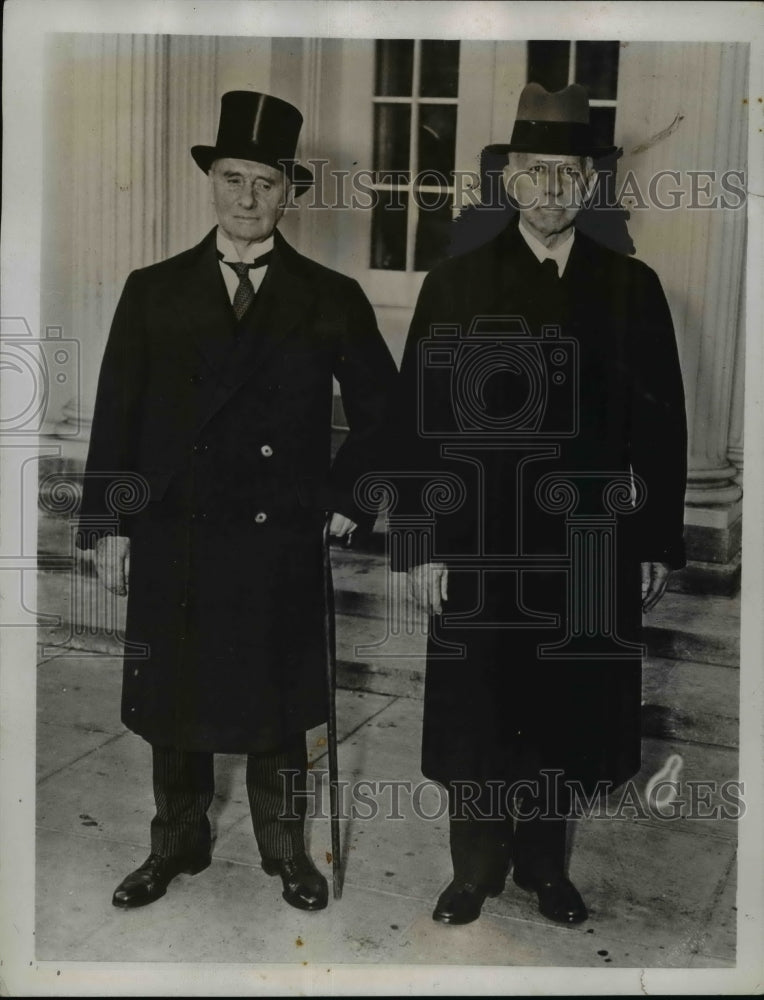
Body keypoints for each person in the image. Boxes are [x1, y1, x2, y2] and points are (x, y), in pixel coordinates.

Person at [77, 91, 397, 911]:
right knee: (174, 700)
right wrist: (109, 527)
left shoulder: (331, 295)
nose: (247, 199)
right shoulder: (153, 290)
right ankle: (175, 844)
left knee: (278, 708)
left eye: (264, 182)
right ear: (210, 182)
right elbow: (118, 416)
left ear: (289, 190)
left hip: (277, 535)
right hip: (173, 531)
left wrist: (346, 500)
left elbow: (388, 415)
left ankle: (286, 852)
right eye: (232, 178)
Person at [392, 82, 687, 926]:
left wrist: (656, 541)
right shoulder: (454, 284)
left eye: (568, 173)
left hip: (588, 545)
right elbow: (417, 421)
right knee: (479, 709)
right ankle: (472, 870)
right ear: (510, 181)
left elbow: (662, 429)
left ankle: (543, 867)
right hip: (479, 543)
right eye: (535, 172)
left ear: (589, 185)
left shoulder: (634, 287)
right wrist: (418, 543)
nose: (552, 189)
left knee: (564, 709)